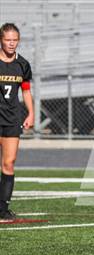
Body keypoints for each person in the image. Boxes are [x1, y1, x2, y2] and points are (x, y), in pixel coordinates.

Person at [0, 23, 34, 220]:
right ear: (1, 40)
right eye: (7, 40)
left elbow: (26, 91)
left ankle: (3, 210)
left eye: (15, 40)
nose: (11, 44)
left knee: (9, 163)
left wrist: (30, 113)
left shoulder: (23, 64)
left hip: (12, 118)